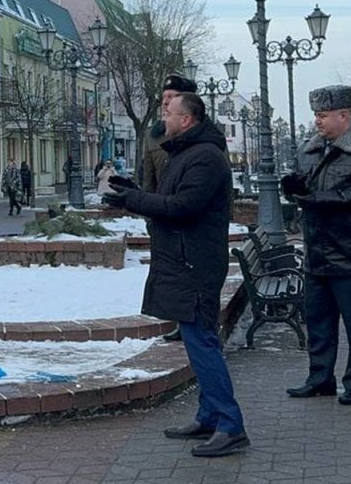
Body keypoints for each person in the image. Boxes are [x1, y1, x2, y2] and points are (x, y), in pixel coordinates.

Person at [103, 92, 247, 457]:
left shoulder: (205, 157)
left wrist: (131, 201)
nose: (163, 114)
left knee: (202, 343)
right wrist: (133, 191)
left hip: (194, 264)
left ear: (188, 120)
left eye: (169, 110)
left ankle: (230, 425)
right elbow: (168, 199)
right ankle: (209, 416)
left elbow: (183, 207)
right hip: (184, 260)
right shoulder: (184, 153)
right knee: (197, 339)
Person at [281, 85, 351, 406]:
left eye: (323, 115)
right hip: (317, 252)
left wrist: (314, 200)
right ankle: (320, 378)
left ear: (344, 115)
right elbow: (301, 187)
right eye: (316, 115)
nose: (317, 121)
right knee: (318, 322)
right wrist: (293, 187)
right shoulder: (312, 149)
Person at [143, 74, 198, 343]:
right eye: (163, 98)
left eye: (171, 98)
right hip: (160, 213)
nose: (165, 104)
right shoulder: (154, 135)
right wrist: (146, 207)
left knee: (187, 273)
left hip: (188, 215)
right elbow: (147, 176)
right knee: (167, 272)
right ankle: (176, 318)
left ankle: (188, 321)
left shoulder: (201, 136)